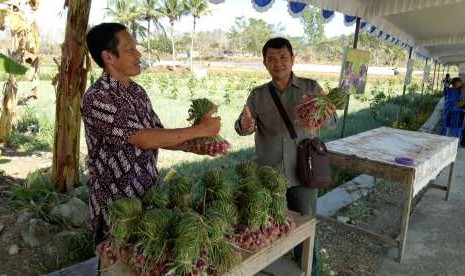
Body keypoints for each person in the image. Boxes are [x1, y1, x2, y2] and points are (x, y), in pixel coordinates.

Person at [82, 23, 221, 245]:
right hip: (116, 205)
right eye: (129, 49)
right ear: (108, 57)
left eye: (135, 47)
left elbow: (157, 133)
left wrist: (189, 145)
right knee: (117, 264)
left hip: (147, 196)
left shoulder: (137, 92)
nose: (138, 54)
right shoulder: (97, 98)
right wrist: (201, 129)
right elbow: (143, 138)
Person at [235, 37, 335, 276]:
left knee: (306, 234)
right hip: (268, 177)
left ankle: (312, 272)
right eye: (271, 59)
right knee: (267, 232)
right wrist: (245, 124)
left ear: (292, 59)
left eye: (283, 57)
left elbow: (330, 122)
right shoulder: (257, 95)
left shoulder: (311, 88)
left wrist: (327, 115)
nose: (278, 63)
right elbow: (243, 127)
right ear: (264, 63)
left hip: (303, 173)